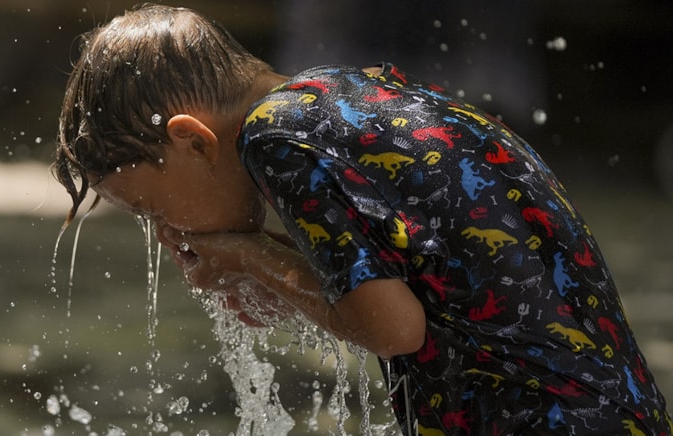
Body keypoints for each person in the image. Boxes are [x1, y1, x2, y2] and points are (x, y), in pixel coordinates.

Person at [52, 4, 672, 434]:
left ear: (193, 140)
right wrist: (269, 265)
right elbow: (416, 289)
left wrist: (248, 256)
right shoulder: (340, 103)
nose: (165, 233)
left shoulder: (276, 139)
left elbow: (391, 328)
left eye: (152, 208)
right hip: (609, 408)